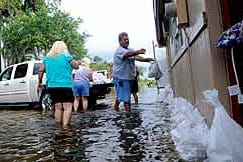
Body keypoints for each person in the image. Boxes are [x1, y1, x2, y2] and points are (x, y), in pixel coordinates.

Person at [38, 41, 79, 127]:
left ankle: (58, 127)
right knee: (67, 107)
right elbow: (76, 66)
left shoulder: (47, 58)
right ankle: (65, 127)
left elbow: (40, 70)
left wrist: (40, 82)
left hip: (52, 86)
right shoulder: (66, 56)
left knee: (58, 107)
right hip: (65, 85)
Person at [112, 32, 154, 112]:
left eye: (128, 39)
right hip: (121, 78)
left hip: (129, 77)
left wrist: (146, 59)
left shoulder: (130, 49)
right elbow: (128, 54)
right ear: (120, 41)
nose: (127, 41)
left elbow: (135, 56)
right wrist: (138, 51)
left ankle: (115, 110)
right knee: (126, 99)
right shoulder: (119, 51)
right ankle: (129, 118)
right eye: (125, 40)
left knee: (122, 95)